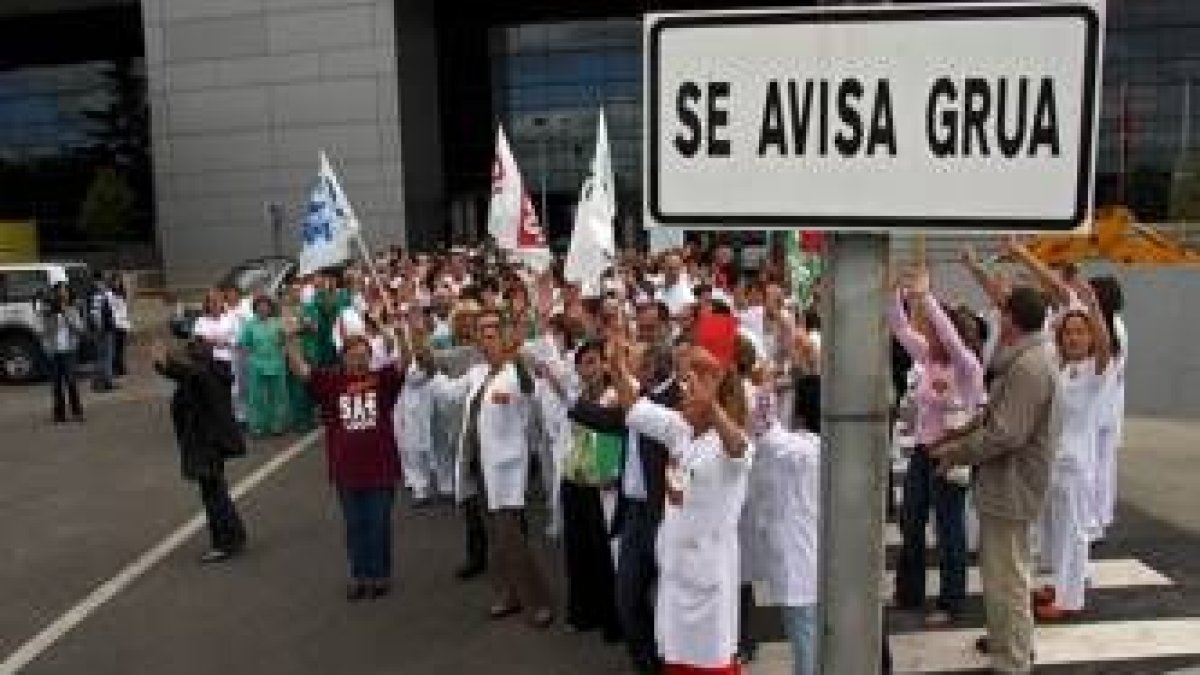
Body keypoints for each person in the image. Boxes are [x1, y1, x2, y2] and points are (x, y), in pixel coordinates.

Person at [610, 311, 753, 675]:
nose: (683, 395)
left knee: (709, 667)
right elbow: (634, 408)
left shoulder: (727, 445)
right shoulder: (680, 431)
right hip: (676, 579)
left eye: (692, 389)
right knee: (675, 661)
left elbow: (739, 449)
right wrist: (615, 363)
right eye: (686, 387)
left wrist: (713, 408)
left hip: (707, 587)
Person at [927, 285, 1057, 675]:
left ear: (1012, 320)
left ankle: (1013, 659)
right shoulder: (1025, 359)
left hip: (1014, 485)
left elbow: (1006, 433)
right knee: (1003, 573)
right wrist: (957, 438)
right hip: (1008, 484)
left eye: (1003, 312)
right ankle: (1006, 643)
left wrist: (957, 452)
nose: (998, 318)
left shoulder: (1029, 366)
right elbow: (994, 419)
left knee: (1009, 578)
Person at [434, 308, 554, 628]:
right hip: (480, 470)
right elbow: (447, 394)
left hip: (506, 472)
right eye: (481, 337)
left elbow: (529, 391)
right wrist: (422, 358)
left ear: (504, 339)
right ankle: (508, 594)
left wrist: (518, 358)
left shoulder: (515, 374)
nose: (486, 343)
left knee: (512, 539)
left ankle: (537, 601)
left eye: (492, 336)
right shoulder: (477, 374)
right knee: (496, 540)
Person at [887, 266, 985, 626]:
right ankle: (909, 592)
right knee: (911, 522)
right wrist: (893, 293)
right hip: (922, 452)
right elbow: (899, 328)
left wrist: (925, 298)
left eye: (937, 329)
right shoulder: (928, 357)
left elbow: (951, 339)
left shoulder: (967, 367)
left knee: (949, 531)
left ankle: (951, 601)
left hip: (953, 455)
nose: (929, 333)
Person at [288, 332, 407, 601]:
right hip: (346, 470)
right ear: (343, 359)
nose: (359, 361)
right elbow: (301, 370)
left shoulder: (382, 380)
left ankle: (380, 575)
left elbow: (405, 363)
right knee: (354, 526)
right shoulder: (331, 382)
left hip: (381, 469)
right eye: (353, 356)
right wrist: (289, 341)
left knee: (378, 524)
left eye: (364, 356)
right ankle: (360, 576)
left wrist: (405, 334)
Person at [152, 337, 247, 562]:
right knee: (217, 491)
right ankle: (234, 536)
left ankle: (225, 542)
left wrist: (163, 362)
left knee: (214, 495)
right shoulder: (211, 372)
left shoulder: (203, 376)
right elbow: (183, 374)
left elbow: (186, 373)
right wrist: (162, 364)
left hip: (207, 443)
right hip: (211, 442)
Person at [238, 295, 289, 438]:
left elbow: (285, 341)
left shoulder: (277, 323)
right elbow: (244, 344)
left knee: (278, 396)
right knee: (256, 397)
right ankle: (257, 427)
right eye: (260, 306)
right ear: (255, 308)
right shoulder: (249, 325)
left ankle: (277, 425)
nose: (263, 308)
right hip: (256, 364)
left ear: (270, 308)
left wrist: (283, 343)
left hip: (276, 363)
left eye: (266, 305)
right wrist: (251, 359)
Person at [40, 282, 86, 423]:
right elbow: (45, 332)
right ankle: (59, 414)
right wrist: (52, 313)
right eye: (60, 291)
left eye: (65, 291)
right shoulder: (48, 312)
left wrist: (66, 313)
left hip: (69, 351)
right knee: (56, 384)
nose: (63, 294)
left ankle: (77, 412)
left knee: (71, 381)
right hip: (54, 352)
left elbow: (80, 329)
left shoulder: (72, 309)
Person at [87, 271, 117, 392]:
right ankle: (100, 383)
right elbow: (95, 313)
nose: (104, 282)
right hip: (102, 329)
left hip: (103, 328)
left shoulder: (96, 293)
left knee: (105, 356)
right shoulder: (97, 293)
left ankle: (106, 381)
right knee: (104, 356)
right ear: (97, 280)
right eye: (102, 280)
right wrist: (100, 328)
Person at [108, 274, 131, 378]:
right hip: (114, 324)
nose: (116, 283)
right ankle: (115, 368)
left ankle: (120, 367)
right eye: (114, 281)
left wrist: (127, 324)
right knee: (115, 347)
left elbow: (124, 310)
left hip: (123, 324)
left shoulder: (122, 293)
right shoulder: (109, 294)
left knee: (121, 348)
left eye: (118, 281)